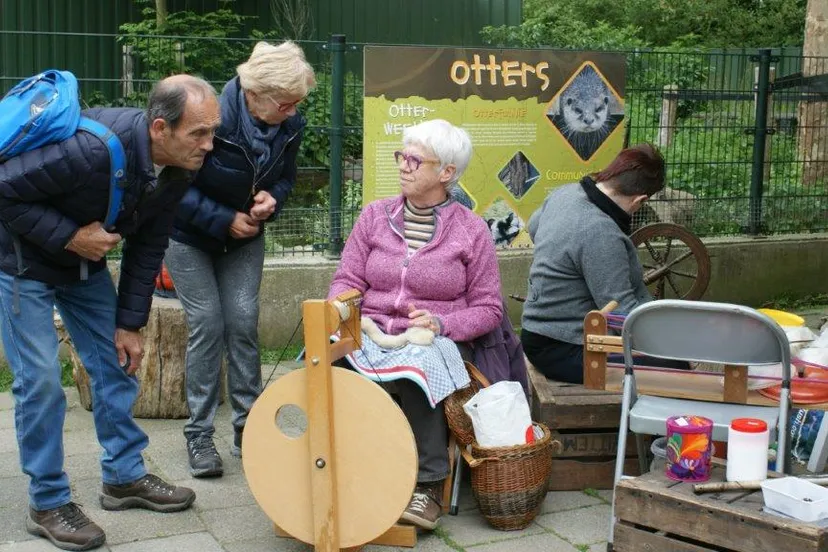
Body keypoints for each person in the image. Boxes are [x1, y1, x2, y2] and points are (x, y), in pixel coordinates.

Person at [0, 75, 220, 551]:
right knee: (39, 381)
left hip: (83, 265)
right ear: (160, 128)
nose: (210, 144)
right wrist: (66, 235)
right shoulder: (91, 151)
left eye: (213, 131)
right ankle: (48, 502)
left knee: (118, 363)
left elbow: (148, 245)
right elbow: (3, 189)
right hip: (21, 264)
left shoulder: (178, 168)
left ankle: (123, 477)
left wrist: (130, 323)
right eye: (198, 133)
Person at [328, 119, 503, 530]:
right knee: (331, 359)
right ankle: (340, 469)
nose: (403, 166)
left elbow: (489, 308)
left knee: (415, 370)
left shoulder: (471, 231)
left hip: (433, 340)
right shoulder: (374, 216)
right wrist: (338, 307)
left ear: (446, 173)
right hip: (371, 329)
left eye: (414, 159)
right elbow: (347, 280)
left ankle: (427, 485)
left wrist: (442, 322)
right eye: (401, 157)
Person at [163, 41, 315, 478]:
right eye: (286, 103)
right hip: (189, 236)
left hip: (246, 237)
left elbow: (286, 177)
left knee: (244, 322)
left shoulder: (289, 123)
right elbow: (173, 186)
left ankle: (249, 431)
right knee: (208, 325)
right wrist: (224, 218)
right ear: (255, 94)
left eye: (296, 104)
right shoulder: (210, 119)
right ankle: (200, 437)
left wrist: (273, 200)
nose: (292, 111)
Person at [521, 143, 689, 383]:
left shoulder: (565, 193)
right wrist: (667, 340)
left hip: (537, 334)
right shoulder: (601, 233)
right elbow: (620, 311)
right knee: (675, 366)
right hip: (565, 346)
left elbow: (535, 227)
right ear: (639, 200)